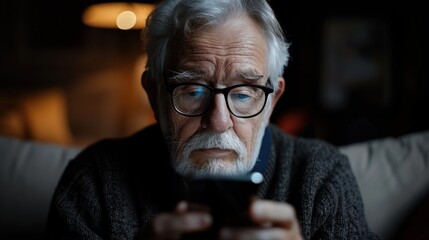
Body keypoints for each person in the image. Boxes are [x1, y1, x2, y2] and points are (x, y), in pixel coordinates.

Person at [45, 0, 380, 239]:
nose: (218, 121)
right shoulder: (94, 180)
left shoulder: (321, 176)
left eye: (244, 93)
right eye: (192, 91)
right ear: (154, 93)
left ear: (273, 99)